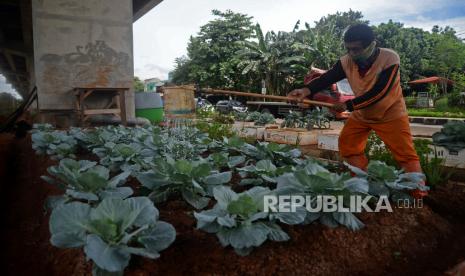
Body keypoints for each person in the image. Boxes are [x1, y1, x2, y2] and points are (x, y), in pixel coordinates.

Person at [288, 24, 427, 197]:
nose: (352, 53)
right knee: (349, 146)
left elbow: (381, 92)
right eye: (349, 49)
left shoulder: (390, 58)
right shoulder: (346, 61)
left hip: (390, 114)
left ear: (371, 45)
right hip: (362, 114)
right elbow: (329, 76)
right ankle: (360, 183)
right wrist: (306, 90)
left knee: (405, 155)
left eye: (356, 49)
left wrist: (348, 105)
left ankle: (418, 194)